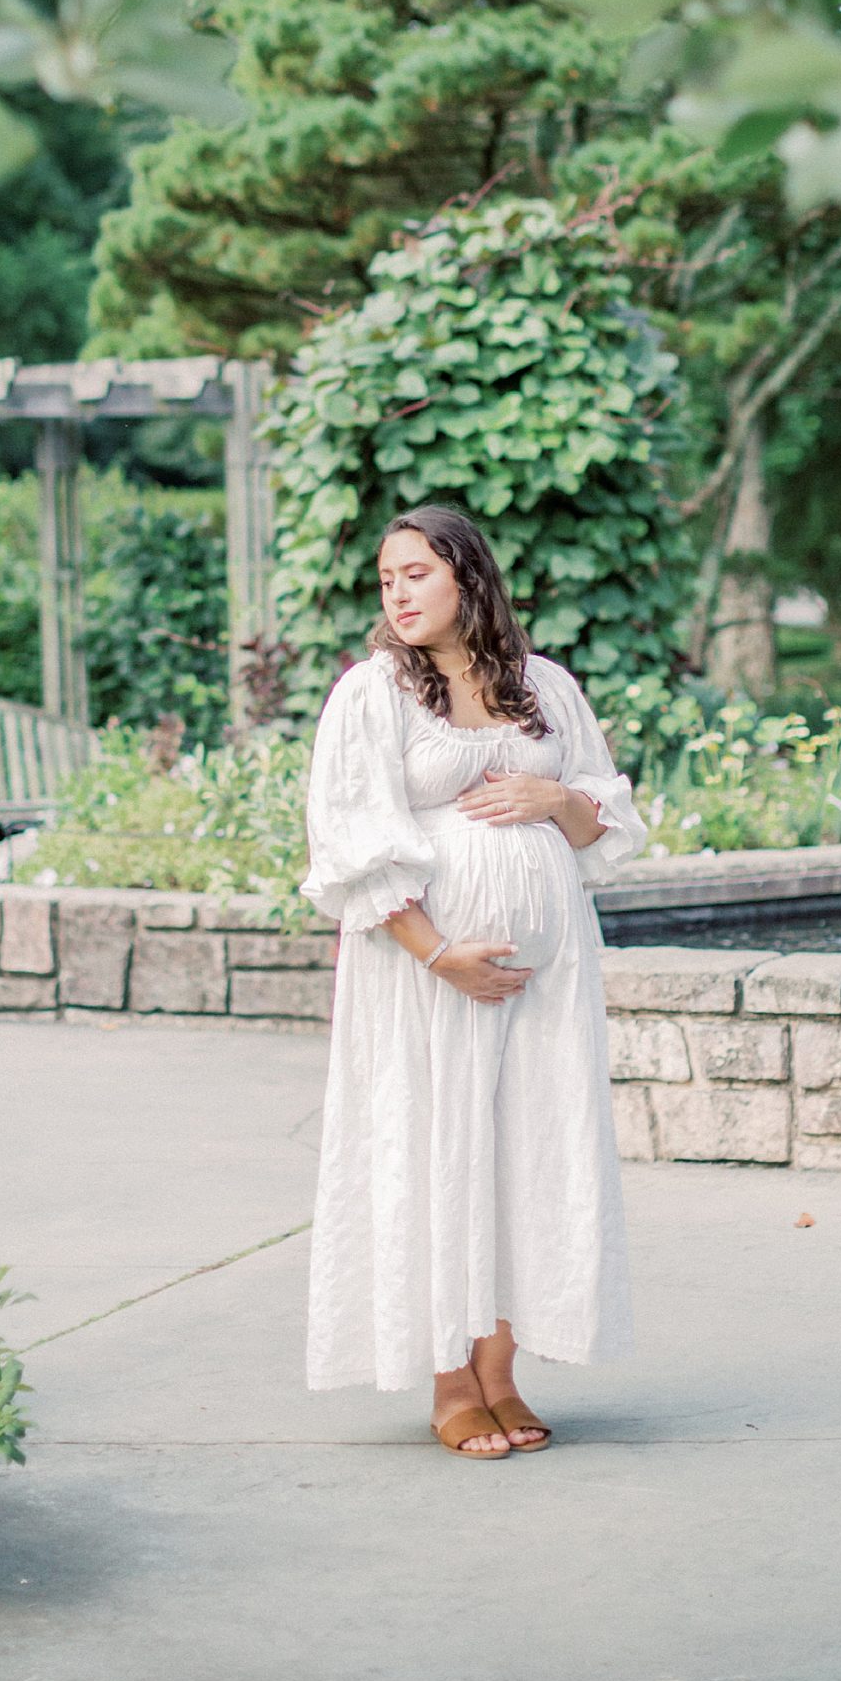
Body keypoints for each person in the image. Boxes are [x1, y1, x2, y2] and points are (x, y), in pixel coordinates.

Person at [301, 502, 647, 1456]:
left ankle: (502, 1373)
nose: (396, 593)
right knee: (439, 1147)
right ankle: (452, 1385)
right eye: (385, 579)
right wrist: (437, 952)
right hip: (427, 976)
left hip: (547, 978)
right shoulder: (372, 696)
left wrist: (556, 798)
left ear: (466, 575)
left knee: (527, 1151)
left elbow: (606, 829)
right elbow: (349, 844)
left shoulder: (545, 688)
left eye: (415, 572)